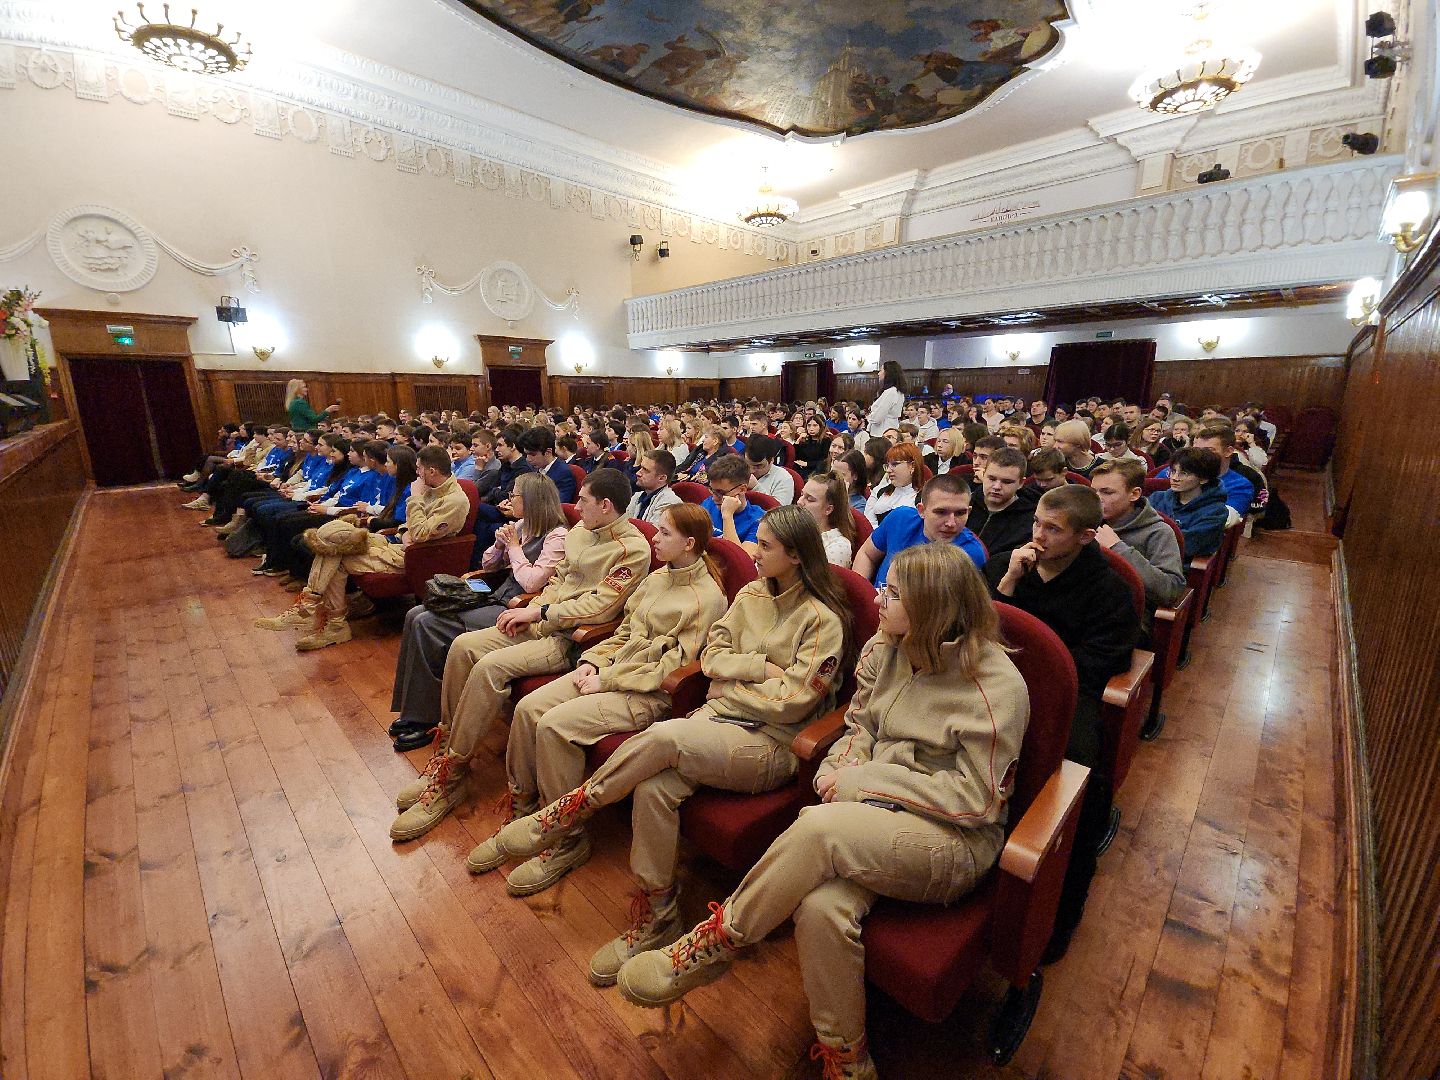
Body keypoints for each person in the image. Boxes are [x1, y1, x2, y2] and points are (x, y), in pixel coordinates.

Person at [612, 543, 1027, 1079]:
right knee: (822, 909)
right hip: (873, 814)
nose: (880, 597)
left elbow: (976, 800)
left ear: (931, 608)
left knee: (820, 826)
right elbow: (860, 727)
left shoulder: (995, 687)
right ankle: (848, 1058)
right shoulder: (888, 646)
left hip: (952, 839)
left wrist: (861, 779)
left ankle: (719, 939)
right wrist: (842, 766)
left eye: (895, 594)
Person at [491, 506, 850, 983]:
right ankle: (660, 913)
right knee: (653, 789)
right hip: (715, 719)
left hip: (768, 744)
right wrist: (758, 670)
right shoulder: (749, 594)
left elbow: (793, 702)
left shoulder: (823, 620)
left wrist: (731, 683)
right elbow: (714, 657)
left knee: (663, 734)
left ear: (798, 557)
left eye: (764, 547)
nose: (752, 553)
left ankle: (574, 808)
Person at [462, 502, 731, 893]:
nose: (654, 537)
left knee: (554, 726)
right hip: (612, 671)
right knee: (528, 708)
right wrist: (592, 660)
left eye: (665, 534)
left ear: (689, 543)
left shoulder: (706, 598)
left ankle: (566, 839)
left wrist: (608, 678)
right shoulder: (660, 578)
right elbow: (625, 631)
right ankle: (528, 809)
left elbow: (670, 667)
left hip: (646, 692)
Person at [388, 468, 651, 842]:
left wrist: (539, 612)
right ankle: (448, 756)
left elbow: (599, 608)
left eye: (584, 501)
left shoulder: (633, 548)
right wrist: (531, 607)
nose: (576, 507)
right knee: (463, 647)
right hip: (540, 618)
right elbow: (560, 579)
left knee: (489, 667)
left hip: (570, 637)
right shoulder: (581, 531)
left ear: (606, 505)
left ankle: (453, 773)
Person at [990, 485, 1139, 962]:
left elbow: (1102, 658)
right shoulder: (1014, 565)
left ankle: (1059, 909)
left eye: (1052, 529)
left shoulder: (1109, 587)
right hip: (996, 681)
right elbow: (981, 624)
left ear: (1085, 536)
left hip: (1069, 693)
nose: (1039, 535)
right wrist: (1010, 580)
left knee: (1076, 779)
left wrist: (1044, 675)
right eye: (1036, 523)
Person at [388, 471, 569, 751]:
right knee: (416, 615)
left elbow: (533, 581)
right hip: (496, 595)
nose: (509, 500)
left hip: (516, 606)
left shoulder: (558, 535)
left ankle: (426, 719)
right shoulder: (522, 525)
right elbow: (489, 564)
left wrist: (514, 548)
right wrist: (499, 546)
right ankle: (412, 710)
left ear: (531, 500)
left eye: (514, 495)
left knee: (428, 623)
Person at [254, 444, 466, 649]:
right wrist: (403, 532)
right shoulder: (431, 488)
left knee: (335, 555)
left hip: (416, 556)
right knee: (330, 535)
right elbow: (409, 525)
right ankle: (313, 610)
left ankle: (318, 615)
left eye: (419, 468)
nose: (417, 473)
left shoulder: (453, 500)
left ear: (432, 470)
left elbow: (419, 534)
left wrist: (415, 500)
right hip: (397, 544)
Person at [1090, 459, 1186, 617]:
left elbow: (1170, 590)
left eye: (1107, 492)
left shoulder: (1159, 532)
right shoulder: (1086, 521)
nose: (1097, 499)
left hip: (1128, 616)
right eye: (1093, 491)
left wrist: (1117, 548)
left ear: (1134, 494)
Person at [853, 473, 985, 585]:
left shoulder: (970, 554)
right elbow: (867, 554)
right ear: (921, 510)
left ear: (969, 512)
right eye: (941, 512)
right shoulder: (900, 519)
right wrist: (862, 594)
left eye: (960, 513)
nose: (951, 523)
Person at [1156, 424, 1254, 517]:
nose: (1200, 456)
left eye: (1208, 450)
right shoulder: (1171, 472)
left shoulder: (1240, 486)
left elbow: (1221, 519)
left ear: (1228, 451)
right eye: (1196, 450)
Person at [1147, 448, 1229, 558]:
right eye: (1173, 471)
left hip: (1177, 566)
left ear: (1203, 478)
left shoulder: (1216, 511)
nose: (1175, 478)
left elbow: (1186, 545)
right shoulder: (1157, 497)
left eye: (1184, 473)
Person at [969, 447, 1039, 573]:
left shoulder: (1031, 522)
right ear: (983, 475)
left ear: (1021, 483)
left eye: (1006, 482)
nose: (996, 486)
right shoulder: (963, 505)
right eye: (992, 478)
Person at [701, 453, 765, 547]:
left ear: (742, 489)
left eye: (720, 493)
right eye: (712, 490)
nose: (714, 498)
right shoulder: (708, 503)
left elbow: (743, 560)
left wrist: (727, 516)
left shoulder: (758, 520)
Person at [798, 472, 858, 565]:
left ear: (828, 509)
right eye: (801, 495)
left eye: (809, 499)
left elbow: (821, 579)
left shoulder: (838, 547)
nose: (799, 502)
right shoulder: (798, 527)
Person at [863, 443, 928, 526]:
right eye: (887, 465)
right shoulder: (878, 492)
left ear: (912, 466)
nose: (888, 470)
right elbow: (868, 525)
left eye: (894, 464)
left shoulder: (926, 496)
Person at [517, 426, 578, 503]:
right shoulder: (533, 468)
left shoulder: (563, 474)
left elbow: (557, 506)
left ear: (548, 452)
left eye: (532, 454)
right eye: (526, 454)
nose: (528, 459)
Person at [626, 448, 682, 525]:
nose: (638, 473)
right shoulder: (637, 496)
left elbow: (652, 534)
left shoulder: (670, 503)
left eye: (645, 470)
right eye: (641, 468)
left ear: (661, 478)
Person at [746, 436, 796, 505]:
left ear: (771, 460)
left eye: (758, 466)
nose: (751, 470)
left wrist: (756, 487)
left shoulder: (784, 478)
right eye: (748, 464)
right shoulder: (739, 468)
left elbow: (780, 512)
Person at [866, 361, 907, 438]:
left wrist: (868, 417)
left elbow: (877, 417)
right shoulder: (898, 391)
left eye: (881, 370)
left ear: (888, 373)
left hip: (882, 432)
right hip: (889, 430)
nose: (879, 373)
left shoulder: (890, 392)